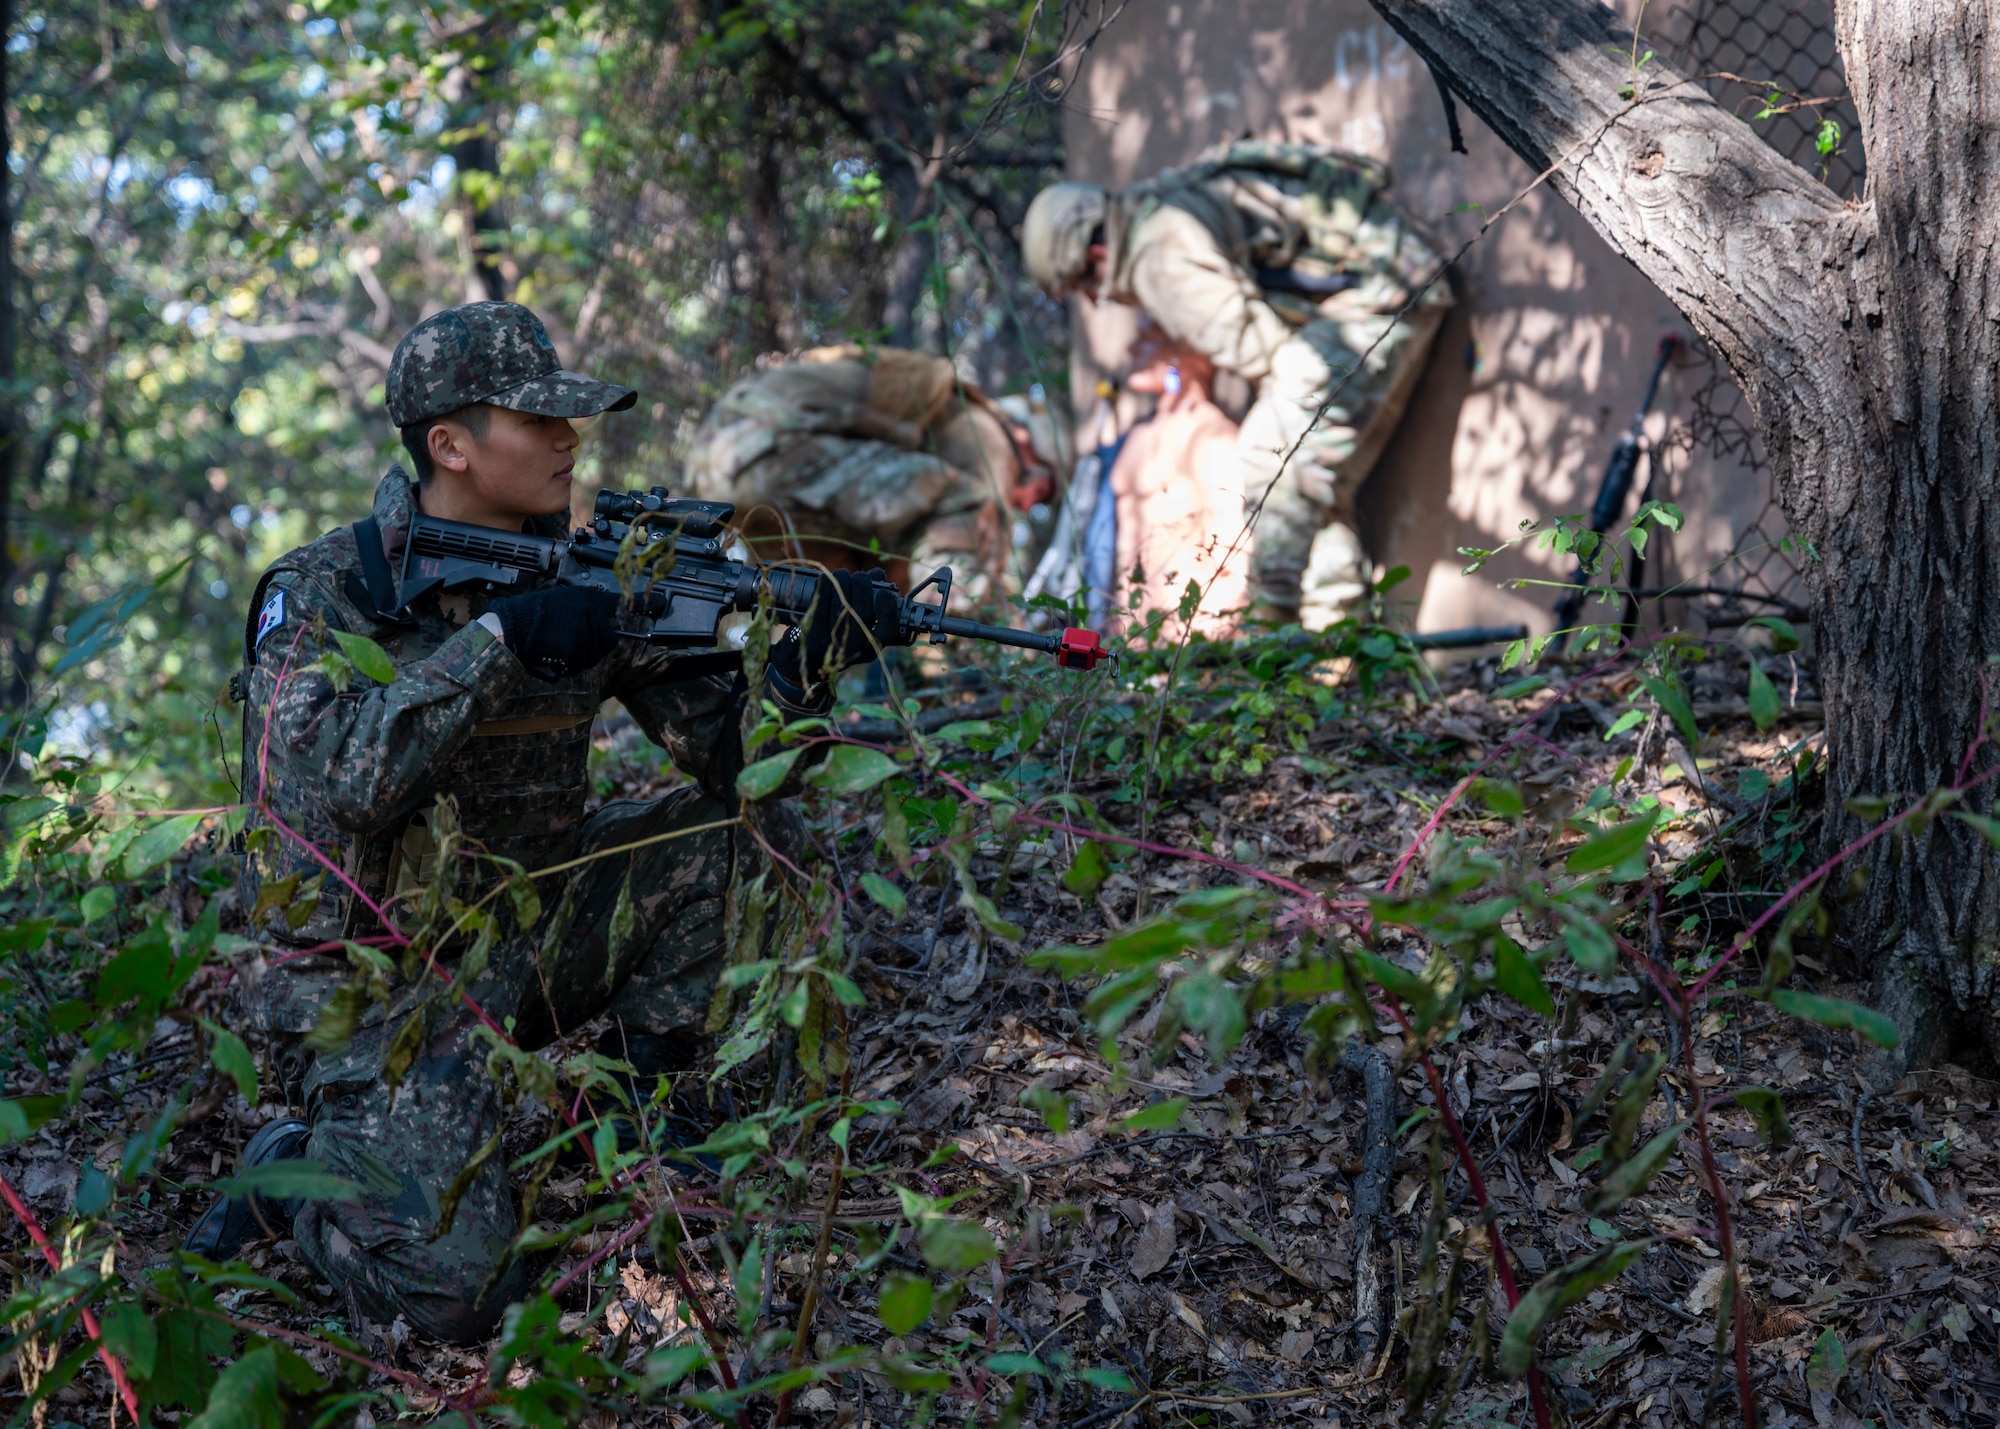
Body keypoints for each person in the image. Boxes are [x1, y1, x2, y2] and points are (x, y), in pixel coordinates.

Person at [189, 301, 890, 1343]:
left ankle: (652, 1111)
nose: (570, 441)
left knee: (743, 842)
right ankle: (293, 1177)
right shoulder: (330, 589)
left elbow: (740, 768)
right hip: (369, 985)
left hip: (529, 929)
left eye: (572, 420)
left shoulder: (589, 572)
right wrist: (497, 643)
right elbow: (336, 785)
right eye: (539, 421)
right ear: (451, 445)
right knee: (452, 1297)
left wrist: (802, 669)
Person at [1021, 141, 1452, 628]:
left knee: (1271, 454)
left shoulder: (1156, 257)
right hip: (1384, 277)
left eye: (1085, 285)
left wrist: (1263, 604)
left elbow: (1273, 355)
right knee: (1306, 475)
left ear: (1095, 256)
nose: (1098, 300)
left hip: (1377, 290)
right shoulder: (1159, 213)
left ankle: (1273, 627)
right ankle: (1336, 637)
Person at [683, 344, 1056, 606]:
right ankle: (969, 678)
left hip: (720, 465)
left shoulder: (950, 413)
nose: (1026, 505)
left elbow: (904, 557)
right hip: (768, 445)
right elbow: (968, 544)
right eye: (1039, 491)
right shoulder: (988, 436)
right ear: (1026, 442)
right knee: (968, 503)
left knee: (839, 601)